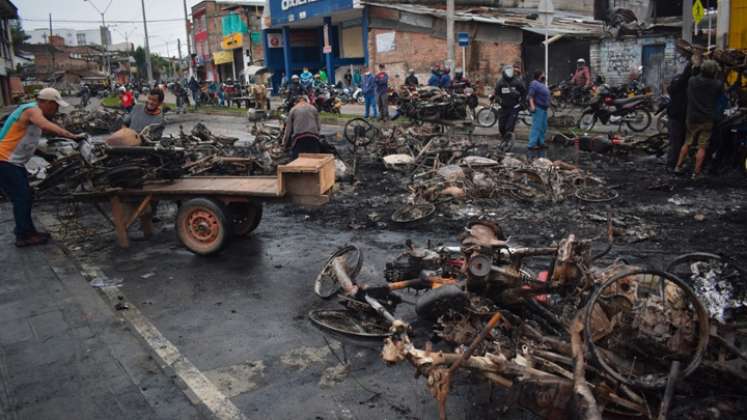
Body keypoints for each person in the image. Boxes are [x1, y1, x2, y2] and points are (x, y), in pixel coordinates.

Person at [0, 88, 85, 247]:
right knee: (21, 197)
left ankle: (28, 231)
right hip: (4, 161)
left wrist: (45, 155)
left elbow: (26, 141)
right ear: (45, 102)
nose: (56, 109)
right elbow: (46, 126)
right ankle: (23, 236)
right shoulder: (32, 110)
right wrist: (73, 136)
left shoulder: (34, 114)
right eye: (55, 105)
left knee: (26, 196)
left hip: (13, 163)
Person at [675, 60, 724, 179]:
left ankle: (678, 167)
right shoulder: (717, 84)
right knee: (702, 146)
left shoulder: (692, 81)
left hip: (692, 117)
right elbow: (722, 96)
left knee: (687, 142)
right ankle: (696, 173)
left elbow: (693, 73)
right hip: (707, 119)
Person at [665, 64, 692, 170]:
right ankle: (673, 164)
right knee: (677, 142)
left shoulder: (679, 83)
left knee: (677, 142)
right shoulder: (684, 84)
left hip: (677, 115)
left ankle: (675, 163)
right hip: (679, 116)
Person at [494, 64, 527, 142]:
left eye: (511, 71)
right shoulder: (500, 82)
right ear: (504, 72)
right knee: (501, 126)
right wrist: (499, 100)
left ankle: (508, 141)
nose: (510, 73)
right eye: (508, 71)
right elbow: (497, 93)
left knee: (509, 126)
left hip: (514, 107)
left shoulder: (517, 82)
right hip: (503, 107)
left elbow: (524, 92)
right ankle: (503, 139)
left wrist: (522, 102)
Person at [527, 70, 551, 159]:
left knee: (543, 126)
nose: (544, 76)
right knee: (537, 126)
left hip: (544, 109)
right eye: (543, 75)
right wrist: (532, 106)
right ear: (539, 76)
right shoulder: (534, 83)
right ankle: (531, 144)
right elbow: (530, 96)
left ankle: (541, 142)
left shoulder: (542, 85)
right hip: (538, 108)